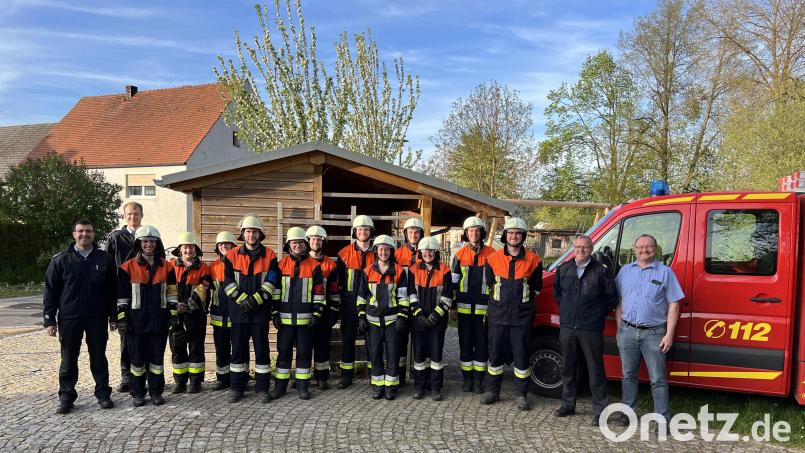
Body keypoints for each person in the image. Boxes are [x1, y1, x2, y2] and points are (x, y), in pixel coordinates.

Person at [43, 219, 118, 414]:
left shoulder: (105, 259)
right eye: (81, 231)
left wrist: (113, 316)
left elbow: (112, 291)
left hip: (97, 316)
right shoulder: (60, 260)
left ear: (94, 234)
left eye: (89, 231)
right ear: (74, 234)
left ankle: (103, 394)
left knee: (99, 357)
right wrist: (49, 319)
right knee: (68, 358)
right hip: (70, 317)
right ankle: (67, 397)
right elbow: (50, 292)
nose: (85, 234)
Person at [615, 234, 683, 426]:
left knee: (658, 379)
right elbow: (619, 302)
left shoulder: (666, 273)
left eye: (649, 246)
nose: (644, 250)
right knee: (628, 376)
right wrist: (620, 329)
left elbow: (674, 304)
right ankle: (627, 413)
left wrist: (669, 334)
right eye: (640, 247)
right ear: (634, 249)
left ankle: (662, 419)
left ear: (656, 248)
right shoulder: (625, 272)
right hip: (627, 331)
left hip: (654, 334)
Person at [553, 235, 617, 426]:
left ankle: (600, 411)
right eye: (578, 247)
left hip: (590, 328)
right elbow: (558, 294)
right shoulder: (564, 269)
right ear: (573, 248)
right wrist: (567, 310)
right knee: (568, 368)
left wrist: (595, 315)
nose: (581, 250)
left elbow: (611, 299)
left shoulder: (601, 271)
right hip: (567, 327)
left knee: (595, 369)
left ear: (592, 249)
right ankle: (567, 404)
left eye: (585, 247)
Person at [482, 217, 542, 411]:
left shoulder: (533, 260)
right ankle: (492, 391)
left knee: (521, 357)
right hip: (498, 316)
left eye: (517, 233)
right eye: (510, 233)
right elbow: (490, 285)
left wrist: (523, 308)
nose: (514, 236)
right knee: (495, 355)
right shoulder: (493, 259)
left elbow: (536, 288)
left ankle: (521, 394)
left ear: (523, 236)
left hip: (521, 318)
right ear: (505, 235)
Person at [117, 225, 177, 407]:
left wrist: (173, 316)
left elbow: (172, 294)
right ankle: (138, 393)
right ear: (139, 244)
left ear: (157, 244)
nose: (149, 244)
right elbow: (121, 297)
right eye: (145, 241)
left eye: (152, 241)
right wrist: (122, 318)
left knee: (157, 360)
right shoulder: (126, 268)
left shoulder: (167, 268)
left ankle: (156, 392)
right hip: (136, 323)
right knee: (136, 361)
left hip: (159, 321)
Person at [223, 214, 279, 403]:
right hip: (238, 312)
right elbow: (228, 283)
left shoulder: (270, 255)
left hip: (260, 312)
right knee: (238, 350)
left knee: (262, 350)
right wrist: (242, 299)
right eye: (248, 231)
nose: (251, 235)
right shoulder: (231, 255)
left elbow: (272, 281)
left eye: (254, 231)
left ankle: (262, 388)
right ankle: (237, 388)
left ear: (260, 234)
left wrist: (255, 299)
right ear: (242, 234)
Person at [271, 227, 326, 400]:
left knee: (304, 353)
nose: (298, 246)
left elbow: (319, 293)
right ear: (289, 245)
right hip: (285, 321)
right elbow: (276, 291)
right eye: (294, 243)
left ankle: (303, 387)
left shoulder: (315, 267)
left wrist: (317, 314)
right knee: (284, 353)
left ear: (305, 244)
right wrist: (274, 313)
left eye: (301, 243)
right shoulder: (280, 265)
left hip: (305, 321)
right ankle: (280, 387)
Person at [355, 234, 410, 400]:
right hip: (373, 322)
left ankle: (391, 388)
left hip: (392, 321)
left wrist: (402, 316)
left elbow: (403, 297)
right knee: (375, 355)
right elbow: (361, 297)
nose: (384, 252)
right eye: (381, 249)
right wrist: (361, 317)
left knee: (393, 355)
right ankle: (377, 387)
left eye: (387, 249)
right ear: (376, 251)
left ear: (391, 251)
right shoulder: (367, 271)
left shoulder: (399, 271)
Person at [450, 216, 494, 394]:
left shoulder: (492, 254)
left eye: (477, 230)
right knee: (465, 345)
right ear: (466, 234)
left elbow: (495, 282)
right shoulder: (459, 255)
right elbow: (453, 283)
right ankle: (467, 380)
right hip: (464, 309)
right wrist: (452, 306)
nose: (474, 233)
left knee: (483, 346)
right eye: (470, 231)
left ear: (482, 233)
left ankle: (478, 381)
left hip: (485, 310)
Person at [102, 201, 143, 393]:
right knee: (125, 335)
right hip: (123, 292)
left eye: (136, 213)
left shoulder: (148, 236)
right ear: (124, 216)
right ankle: (126, 376)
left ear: (141, 215)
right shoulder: (115, 237)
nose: (132, 216)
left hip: (145, 292)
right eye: (129, 214)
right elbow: (106, 265)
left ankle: (147, 374)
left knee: (146, 334)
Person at [409, 236, 453, 401]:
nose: (428, 253)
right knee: (419, 356)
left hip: (437, 323)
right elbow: (411, 294)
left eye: (431, 250)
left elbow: (448, 296)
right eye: (424, 251)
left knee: (436, 357)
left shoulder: (445, 270)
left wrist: (434, 316)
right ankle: (419, 387)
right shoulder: (413, 270)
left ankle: (435, 388)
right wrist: (419, 315)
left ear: (436, 252)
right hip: (418, 321)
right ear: (420, 252)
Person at [335, 215, 376, 389]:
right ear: (355, 232)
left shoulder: (379, 253)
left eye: (366, 229)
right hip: (350, 306)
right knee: (347, 341)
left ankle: (374, 375)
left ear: (371, 232)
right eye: (360, 229)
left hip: (372, 306)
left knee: (372, 343)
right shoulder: (344, 254)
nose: (363, 232)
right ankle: (346, 376)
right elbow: (338, 282)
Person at [168, 232, 211, 394]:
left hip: (196, 313)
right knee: (176, 347)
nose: (188, 251)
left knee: (196, 347)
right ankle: (180, 381)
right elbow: (168, 289)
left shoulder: (203, 267)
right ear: (180, 250)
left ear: (196, 249)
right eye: (185, 248)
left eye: (191, 247)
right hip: (175, 313)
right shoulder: (171, 266)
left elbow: (203, 288)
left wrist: (186, 304)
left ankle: (195, 382)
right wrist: (176, 305)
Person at [306, 226, 341, 390]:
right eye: (313, 239)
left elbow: (334, 290)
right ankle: (303, 378)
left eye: (319, 239)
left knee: (322, 346)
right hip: (304, 311)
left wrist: (334, 311)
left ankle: (322, 378)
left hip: (324, 312)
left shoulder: (330, 264)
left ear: (323, 242)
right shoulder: (302, 261)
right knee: (303, 346)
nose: (316, 241)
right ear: (308, 241)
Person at [394, 217, 424, 386]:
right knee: (400, 341)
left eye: (416, 232)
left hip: (421, 303)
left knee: (420, 342)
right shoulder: (397, 254)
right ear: (406, 234)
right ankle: (399, 377)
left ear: (421, 234)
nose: (413, 235)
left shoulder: (428, 251)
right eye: (410, 232)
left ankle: (418, 377)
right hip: (403, 305)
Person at [209, 231, 236, 390]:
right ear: (217, 248)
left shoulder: (239, 263)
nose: (224, 246)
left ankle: (240, 377)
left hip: (236, 314)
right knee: (221, 348)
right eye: (221, 245)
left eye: (227, 244)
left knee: (239, 348)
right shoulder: (213, 266)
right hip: (218, 314)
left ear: (233, 246)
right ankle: (222, 379)